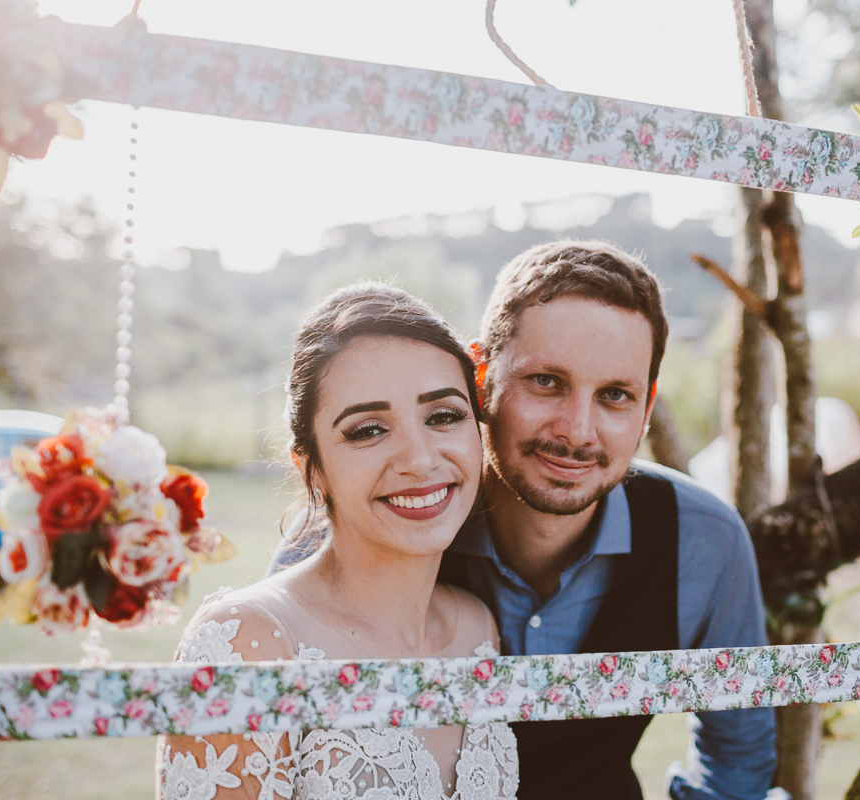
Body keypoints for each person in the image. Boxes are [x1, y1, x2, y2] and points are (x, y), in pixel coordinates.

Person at [272, 241, 777, 800]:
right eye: (546, 382)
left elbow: (738, 765)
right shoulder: (358, 528)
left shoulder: (704, 540)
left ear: (647, 407)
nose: (578, 431)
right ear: (481, 376)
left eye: (615, 395)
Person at [157, 283, 519, 800]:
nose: (418, 458)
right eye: (369, 429)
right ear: (312, 470)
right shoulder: (247, 644)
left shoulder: (478, 627)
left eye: (443, 416)